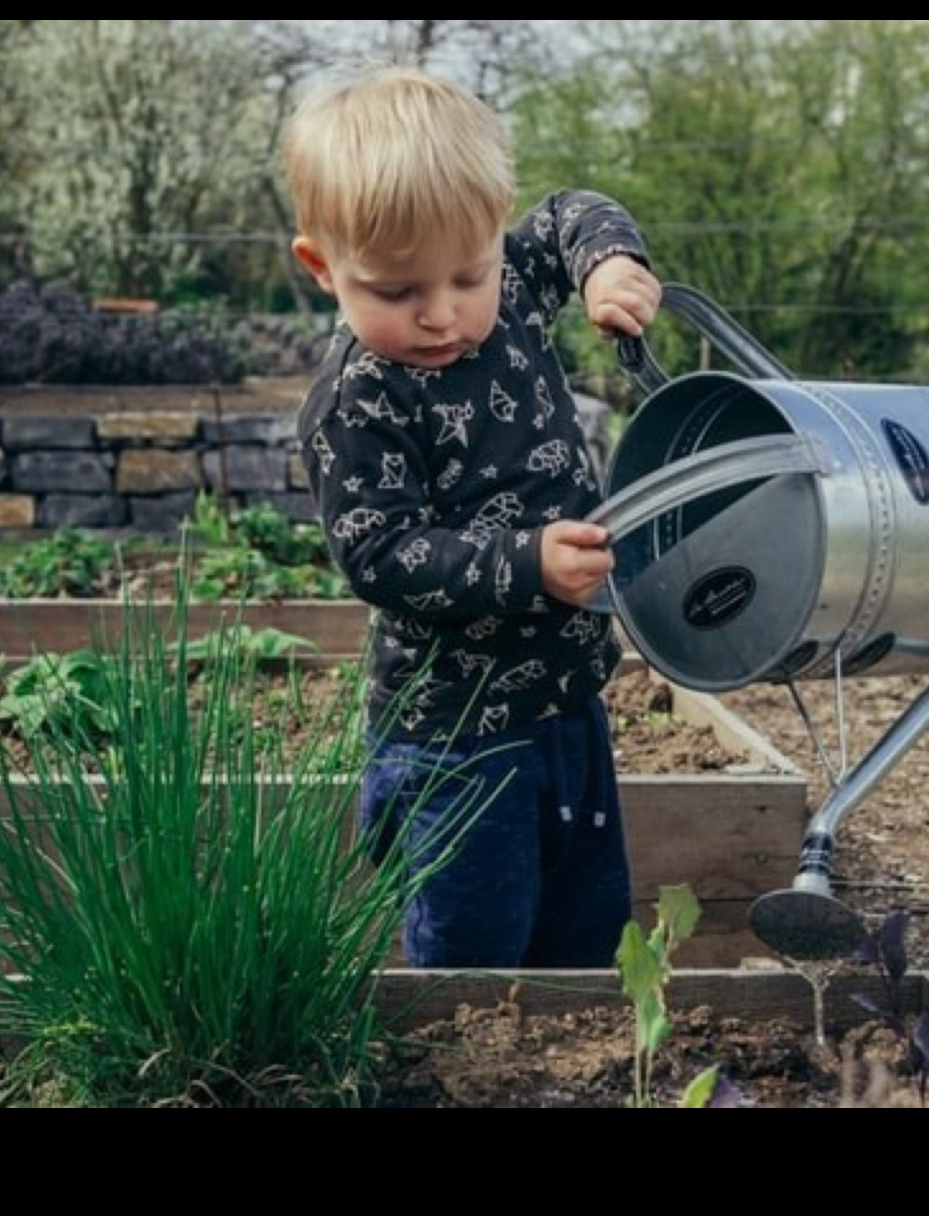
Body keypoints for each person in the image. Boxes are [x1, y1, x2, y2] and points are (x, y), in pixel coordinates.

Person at [280, 63, 663, 969]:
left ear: (495, 238)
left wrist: (609, 263)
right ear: (321, 268)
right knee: (473, 952)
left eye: (468, 274)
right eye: (395, 291)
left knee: (585, 927)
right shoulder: (357, 403)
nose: (442, 314)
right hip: (456, 740)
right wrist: (526, 564)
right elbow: (382, 554)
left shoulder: (518, 288)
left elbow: (573, 211)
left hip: (570, 703)